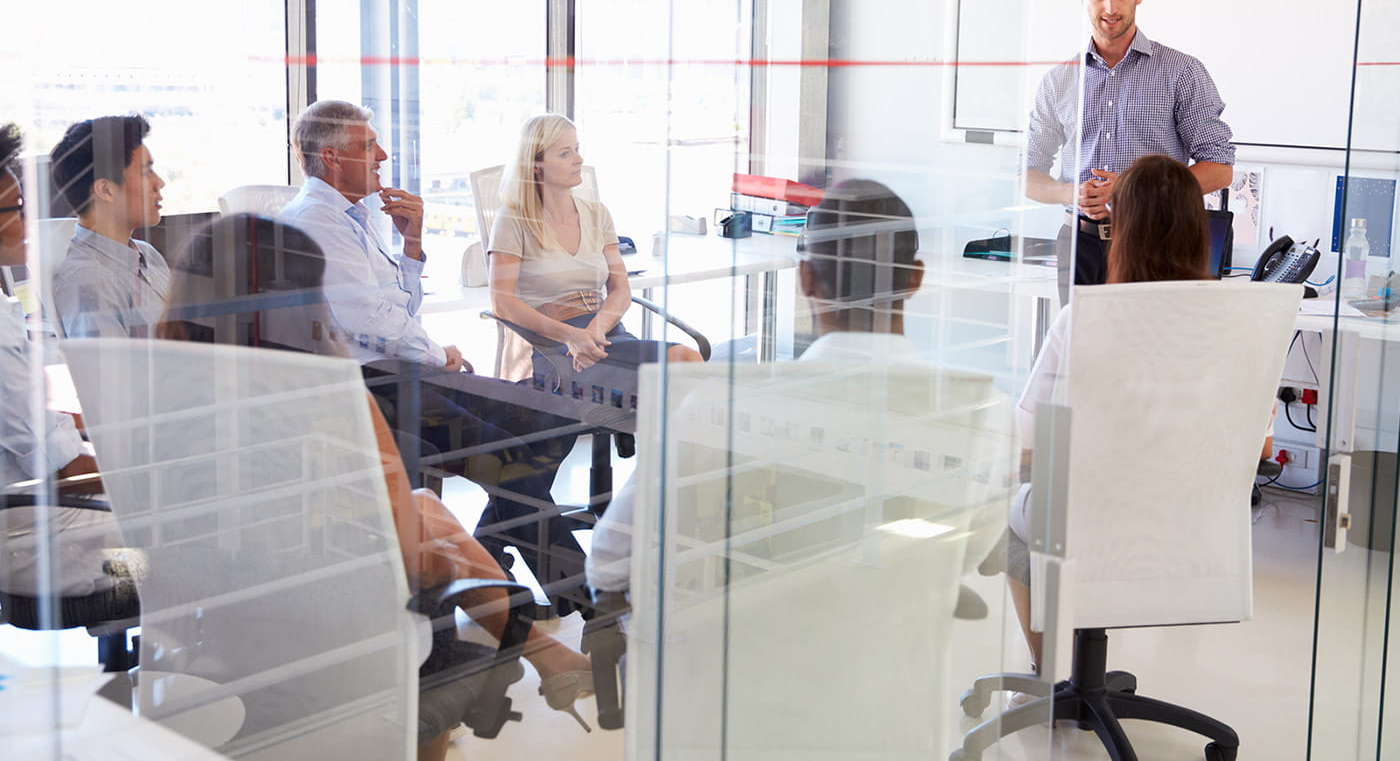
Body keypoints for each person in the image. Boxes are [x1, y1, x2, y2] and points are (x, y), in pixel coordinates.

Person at [156, 214, 596, 752]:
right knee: (429, 530)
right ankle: (544, 648)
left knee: (429, 508)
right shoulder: (324, 395)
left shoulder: (161, 392)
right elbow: (404, 547)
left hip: (219, 614)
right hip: (321, 616)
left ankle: (550, 651)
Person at [587, 179, 1017, 598]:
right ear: (916, 278)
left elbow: (608, 563)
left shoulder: (720, 407)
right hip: (899, 658)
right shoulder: (985, 413)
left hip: (745, 658)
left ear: (806, 278)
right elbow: (964, 556)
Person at [279, 100, 586, 599]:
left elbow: (401, 310)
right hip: (374, 385)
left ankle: (494, 557)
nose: (382, 154)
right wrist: (438, 354)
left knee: (551, 418)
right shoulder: (319, 221)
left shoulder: (351, 217)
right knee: (511, 457)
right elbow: (370, 323)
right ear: (332, 157)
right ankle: (583, 598)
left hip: (404, 370)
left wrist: (412, 245)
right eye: (367, 146)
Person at [1007, 154, 1212, 671]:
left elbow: (1028, 436)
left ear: (1119, 228)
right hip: (1190, 523)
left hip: (1094, 519)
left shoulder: (1088, 319)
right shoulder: (1237, 322)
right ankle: (1079, 670)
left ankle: (1048, 668)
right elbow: (1255, 446)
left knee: (1010, 510)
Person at [1022, 0, 1235, 304]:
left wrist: (1135, 190)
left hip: (1158, 245)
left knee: (1152, 357)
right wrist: (1068, 192)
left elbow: (1220, 170)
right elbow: (1028, 174)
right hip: (1079, 245)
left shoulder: (1181, 72)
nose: (1109, 7)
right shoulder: (1059, 80)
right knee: (1083, 357)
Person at [488, 113, 704, 380]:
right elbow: (502, 302)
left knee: (685, 365)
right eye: (565, 153)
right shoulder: (512, 219)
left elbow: (620, 288)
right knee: (680, 370)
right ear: (536, 165)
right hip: (552, 346)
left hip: (604, 335)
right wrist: (571, 336)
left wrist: (594, 332)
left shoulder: (597, 214)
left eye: (577, 149)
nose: (579, 159)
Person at [0, 123, 121, 599]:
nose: (27, 224)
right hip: (49, 545)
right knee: (201, 543)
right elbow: (58, 466)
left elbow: (29, 424)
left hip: (31, 520)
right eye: (17, 210)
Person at [49, 115, 170, 337]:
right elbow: (108, 372)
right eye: (146, 172)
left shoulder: (148, 255)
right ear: (106, 190)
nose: (159, 183)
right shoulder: (89, 283)